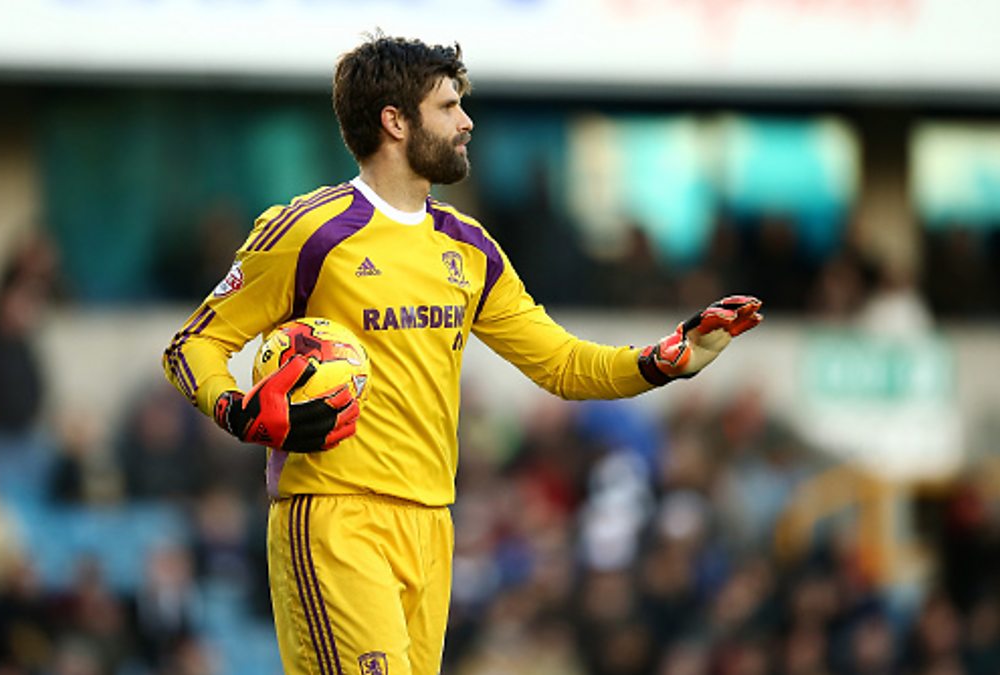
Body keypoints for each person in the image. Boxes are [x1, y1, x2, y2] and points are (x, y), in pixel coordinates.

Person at [162, 34, 762, 675]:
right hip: (335, 518)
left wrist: (664, 359)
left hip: (431, 524)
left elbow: (560, 363)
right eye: (448, 107)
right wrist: (237, 409)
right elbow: (192, 345)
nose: (466, 121)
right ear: (395, 122)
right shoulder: (310, 231)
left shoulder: (468, 247)